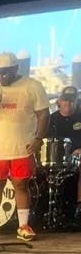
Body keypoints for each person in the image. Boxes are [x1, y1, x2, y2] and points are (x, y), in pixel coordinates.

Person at [0, 51, 49, 241]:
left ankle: (23, 226)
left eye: (5, 72)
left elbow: (44, 114)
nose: (2, 76)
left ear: (15, 69)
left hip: (22, 146)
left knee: (21, 184)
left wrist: (38, 138)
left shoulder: (32, 86)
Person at [47, 85, 81, 220]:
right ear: (59, 101)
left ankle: (79, 206)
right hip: (55, 158)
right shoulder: (51, 119)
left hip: (77, 157)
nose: (68, 103)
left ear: (77, 101)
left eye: (71, 100)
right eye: (65, 100)